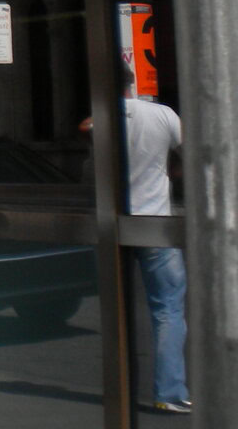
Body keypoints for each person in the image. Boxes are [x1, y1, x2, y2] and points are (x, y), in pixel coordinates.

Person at [82, 65, 190, 414]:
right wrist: (170, 172)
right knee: (168, 309)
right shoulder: (163, 115)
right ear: (133, 83)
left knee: (116, 309)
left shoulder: (97, 122)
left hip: (112, 226)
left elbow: (88, 156)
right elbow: (192, 155)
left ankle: (120, 389)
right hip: (153, 223)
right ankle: (168, 393)